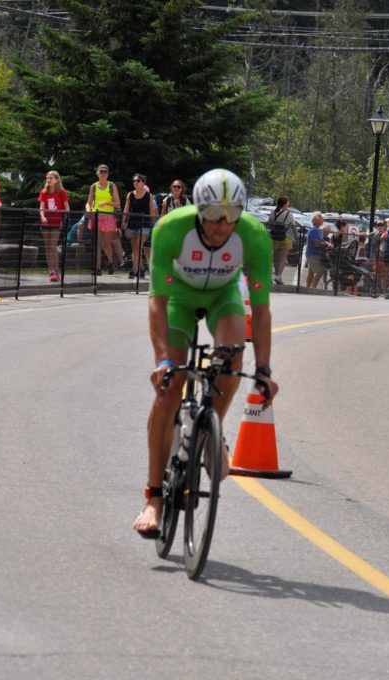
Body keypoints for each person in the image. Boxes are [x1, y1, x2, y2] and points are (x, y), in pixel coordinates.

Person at [133, 168, 278, 538]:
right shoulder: (170, 229)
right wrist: (163, 359)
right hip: (179, 298)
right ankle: (153, 497)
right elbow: (157, 302)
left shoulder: (254, 237)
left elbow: (260, 311)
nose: (222, 226)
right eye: (214, 216)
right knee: (170, 388)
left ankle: (213, 430)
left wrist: (264, 369)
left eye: (231, 216)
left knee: (232, 358)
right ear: (199, 210)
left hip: (222, 296)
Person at [86, 164, 121, 274]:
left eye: (105, 172)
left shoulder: (112, 186)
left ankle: (110, 262)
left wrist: (107, 203)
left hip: (108, 217)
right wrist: (88, 210)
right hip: (96, 216)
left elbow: (118, 204)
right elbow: (89, 202)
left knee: (106, 244)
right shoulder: (94, 186)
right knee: (97, 243)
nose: (103, 174)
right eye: (101, 172)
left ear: (108, 174)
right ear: (97, 173)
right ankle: (97, 268)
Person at [122, 174, 157, 279]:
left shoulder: (148, 195)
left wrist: (154, 225)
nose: (135, 182)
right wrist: (123, 222)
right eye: (134, 181)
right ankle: (141, 269)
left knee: (138, 247)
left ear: (143, 182)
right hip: (132, 224)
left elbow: (151, 211)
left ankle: (134, 270)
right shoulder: (130, 195)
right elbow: (126, 209)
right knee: (135, 249)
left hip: (144, 225)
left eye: (138, 181)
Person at [38, 170, 69, 282]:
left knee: (52, 246)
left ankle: (56, 271)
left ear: (57, 180)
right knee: (47, 247)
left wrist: (63, 217)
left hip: (56, 222)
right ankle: (51, 271)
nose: (48, 180)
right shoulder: (44, 192)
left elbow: (67, 208)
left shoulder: (61, 192)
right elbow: (41, 207)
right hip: (45, 222)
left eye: (51, 178)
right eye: (47, 178)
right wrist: (42, 217)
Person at [266, 196, 297, 285]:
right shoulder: (289, 214)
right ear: (284, 204)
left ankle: (274, 275)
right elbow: (293, 226)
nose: (288, 204)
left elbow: (269, 225)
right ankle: (278, 276)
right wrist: (296, 237)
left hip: (274, 238)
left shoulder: (273, 213)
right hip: (285, 238)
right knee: (282, 258)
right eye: (287, 203)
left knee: (276, 258)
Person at [304, 211, 330, 289]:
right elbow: (315, 243)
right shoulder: (313, 230)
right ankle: (313, 288)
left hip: (314, 254)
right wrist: (325, 244)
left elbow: (321, 240)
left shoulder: (318, 230)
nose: (323, 219)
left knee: (311, 272)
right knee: (320, 271)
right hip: (313, 254)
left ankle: (308, 288)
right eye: (321, 218)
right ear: (317, 219)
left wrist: (325, 242)